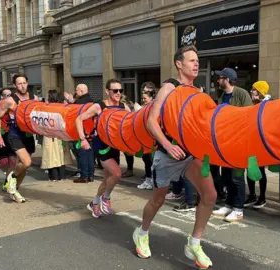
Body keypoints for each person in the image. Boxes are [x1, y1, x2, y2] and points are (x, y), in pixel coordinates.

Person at [132, 45, 216, 269]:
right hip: (168, 154)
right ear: (179, 64)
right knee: (158, 200)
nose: (196, 64)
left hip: (190, 154)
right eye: (191, 60)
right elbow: (151, 121)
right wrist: (168, 145)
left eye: (197, 60)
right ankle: (141, 232)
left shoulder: (198, 92)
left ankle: (194, 243)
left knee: (210, 195)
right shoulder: (169, 87)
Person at [75, 78, 130, 218]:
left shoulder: (124, 107)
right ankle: (106, 197)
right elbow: (79, 119)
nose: (118, 93)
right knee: (117, 174)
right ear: (107, 91)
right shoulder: (99, 106)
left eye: (120, 90)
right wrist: (83, 139)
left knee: (107, 179)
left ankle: (94, 202)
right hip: (101, 146)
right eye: (115, 90)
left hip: (115, 147)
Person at [212, 67, 252, 222]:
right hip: (225, 142)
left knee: (237, 177)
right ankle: (229, 204)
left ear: (227, 79)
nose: (218, 80)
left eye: (220, 78)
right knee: (227, 176)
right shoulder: (222, 95)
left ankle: (238, 208)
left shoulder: (242, 94)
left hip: (239, 143)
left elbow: (249, 116)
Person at [0, 74, 39, 203]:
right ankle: (12, 177)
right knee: (27, 162)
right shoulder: (9, 100)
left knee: (24, 167)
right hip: (15, 135)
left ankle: (14, 190)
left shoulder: (34, 98)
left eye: (24, 83)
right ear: (15, 86)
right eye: (19, 83)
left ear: (27, 83)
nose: (22, 85)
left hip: (29, 136)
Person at [245, 80, 271, 209]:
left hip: (260, 142)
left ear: (260, 92)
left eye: (254, 89)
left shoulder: (266, 104)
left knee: (260, 170)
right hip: (251, 141)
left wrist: (260, 102)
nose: (251, 91)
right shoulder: (251, 103)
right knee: (250, 168)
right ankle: (252, 194)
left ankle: (262, 197)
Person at [0, 89, 18, 186]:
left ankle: (7, 182)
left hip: (13, 136)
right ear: (2, 96)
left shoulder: (15, 105)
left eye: (10, 94)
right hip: (2, 136)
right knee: (4, 161)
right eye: (6, 95)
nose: (9, 96)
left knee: (13, 161)